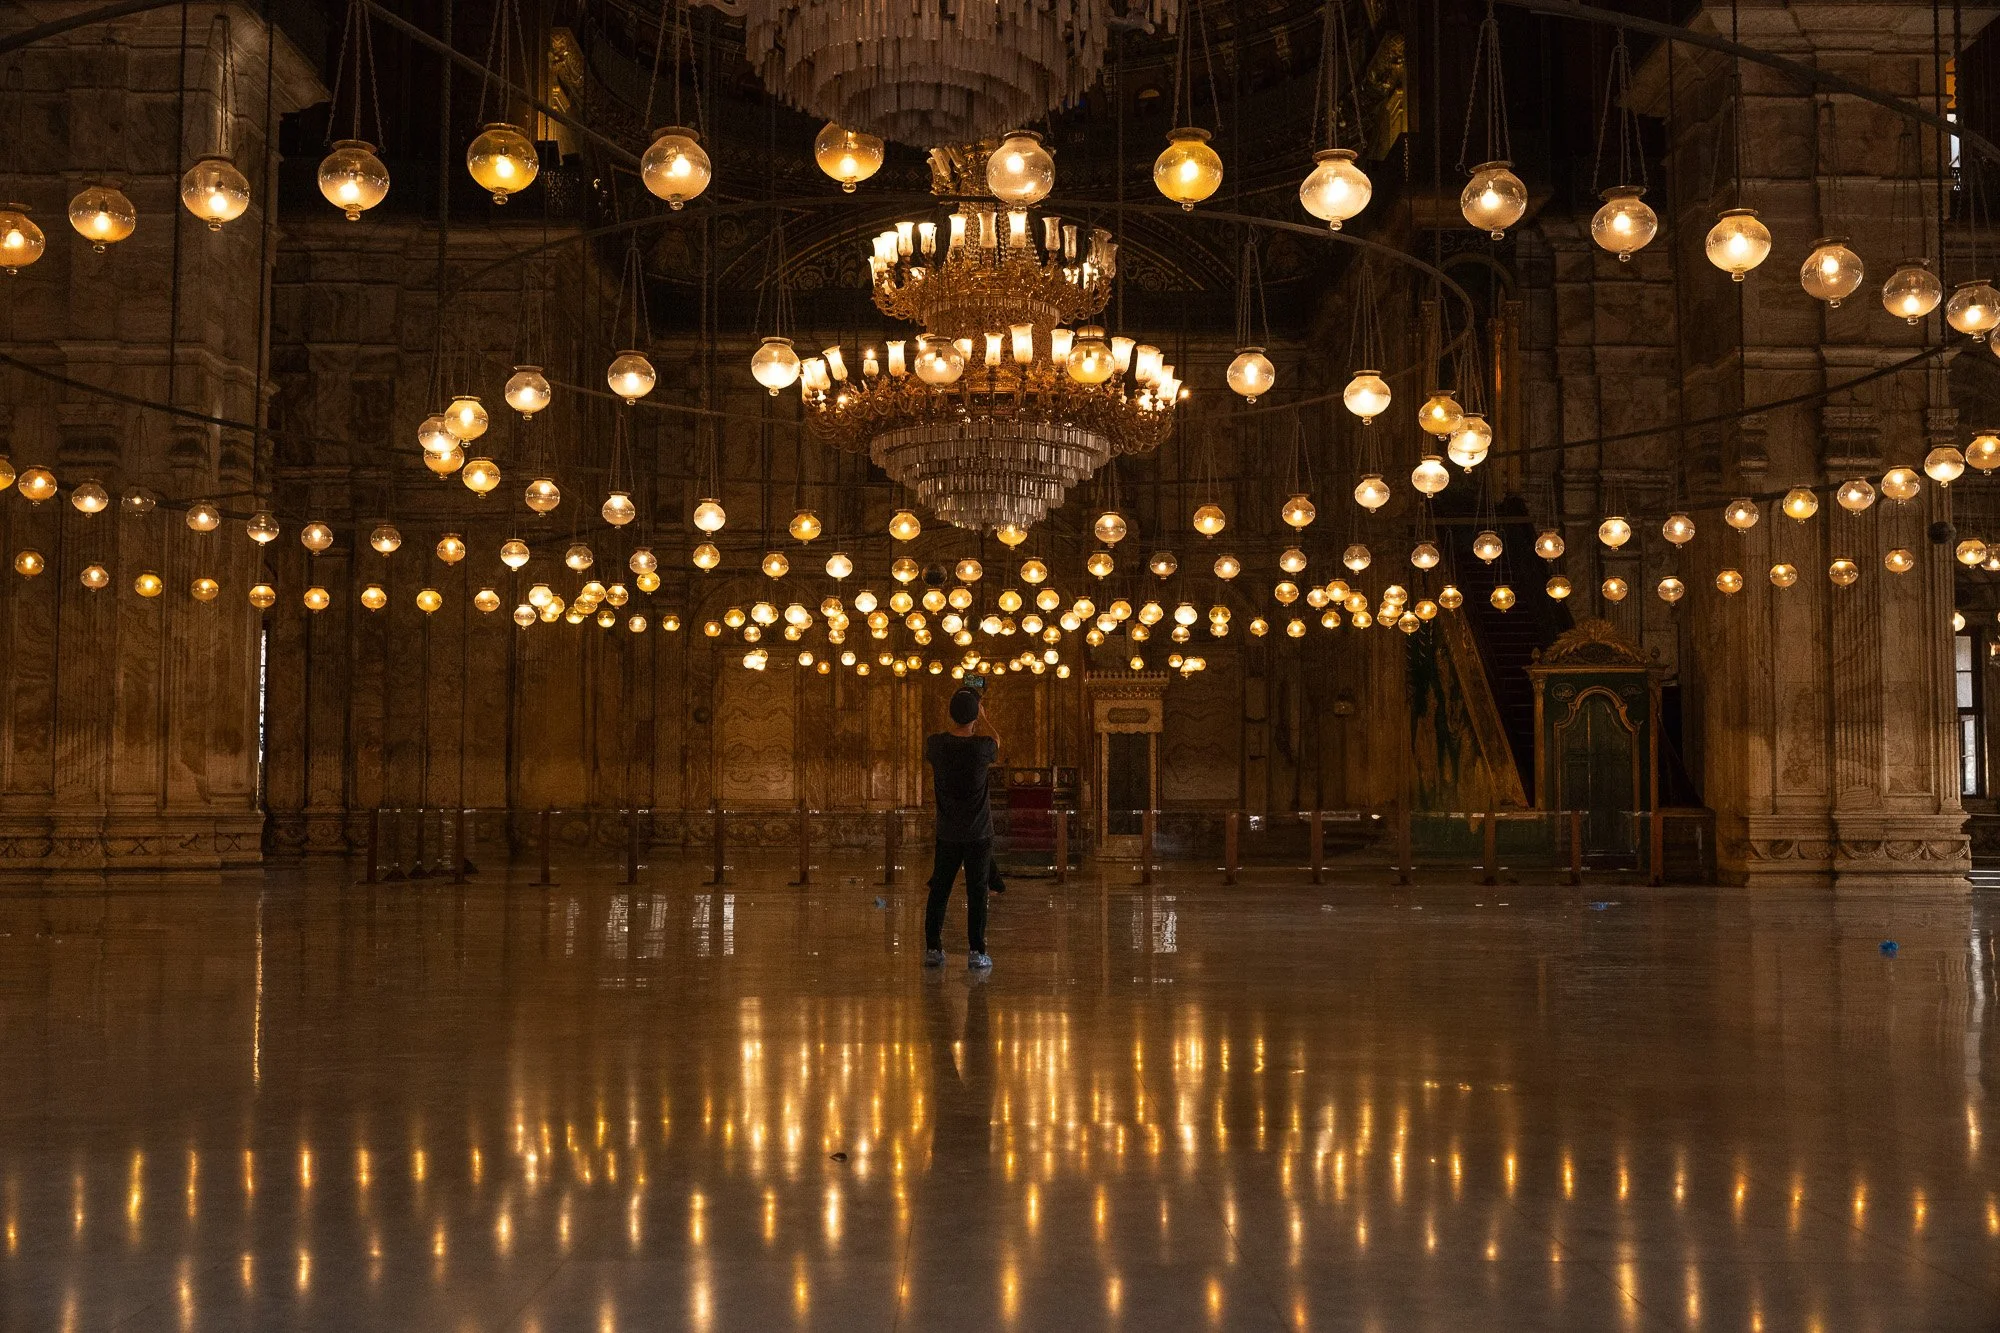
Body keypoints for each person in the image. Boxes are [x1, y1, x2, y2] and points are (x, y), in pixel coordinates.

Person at [923, 685, 1001, 970]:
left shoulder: (936, 745)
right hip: (978, 833)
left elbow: (942, 739)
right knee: (977, 891)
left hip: (947, 832)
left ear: (951, 715)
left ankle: (933, 949)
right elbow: (996, 740)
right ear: (974, 718)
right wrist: (985, 717)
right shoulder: (982, 748)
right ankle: (976, 952)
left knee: (940, 890)